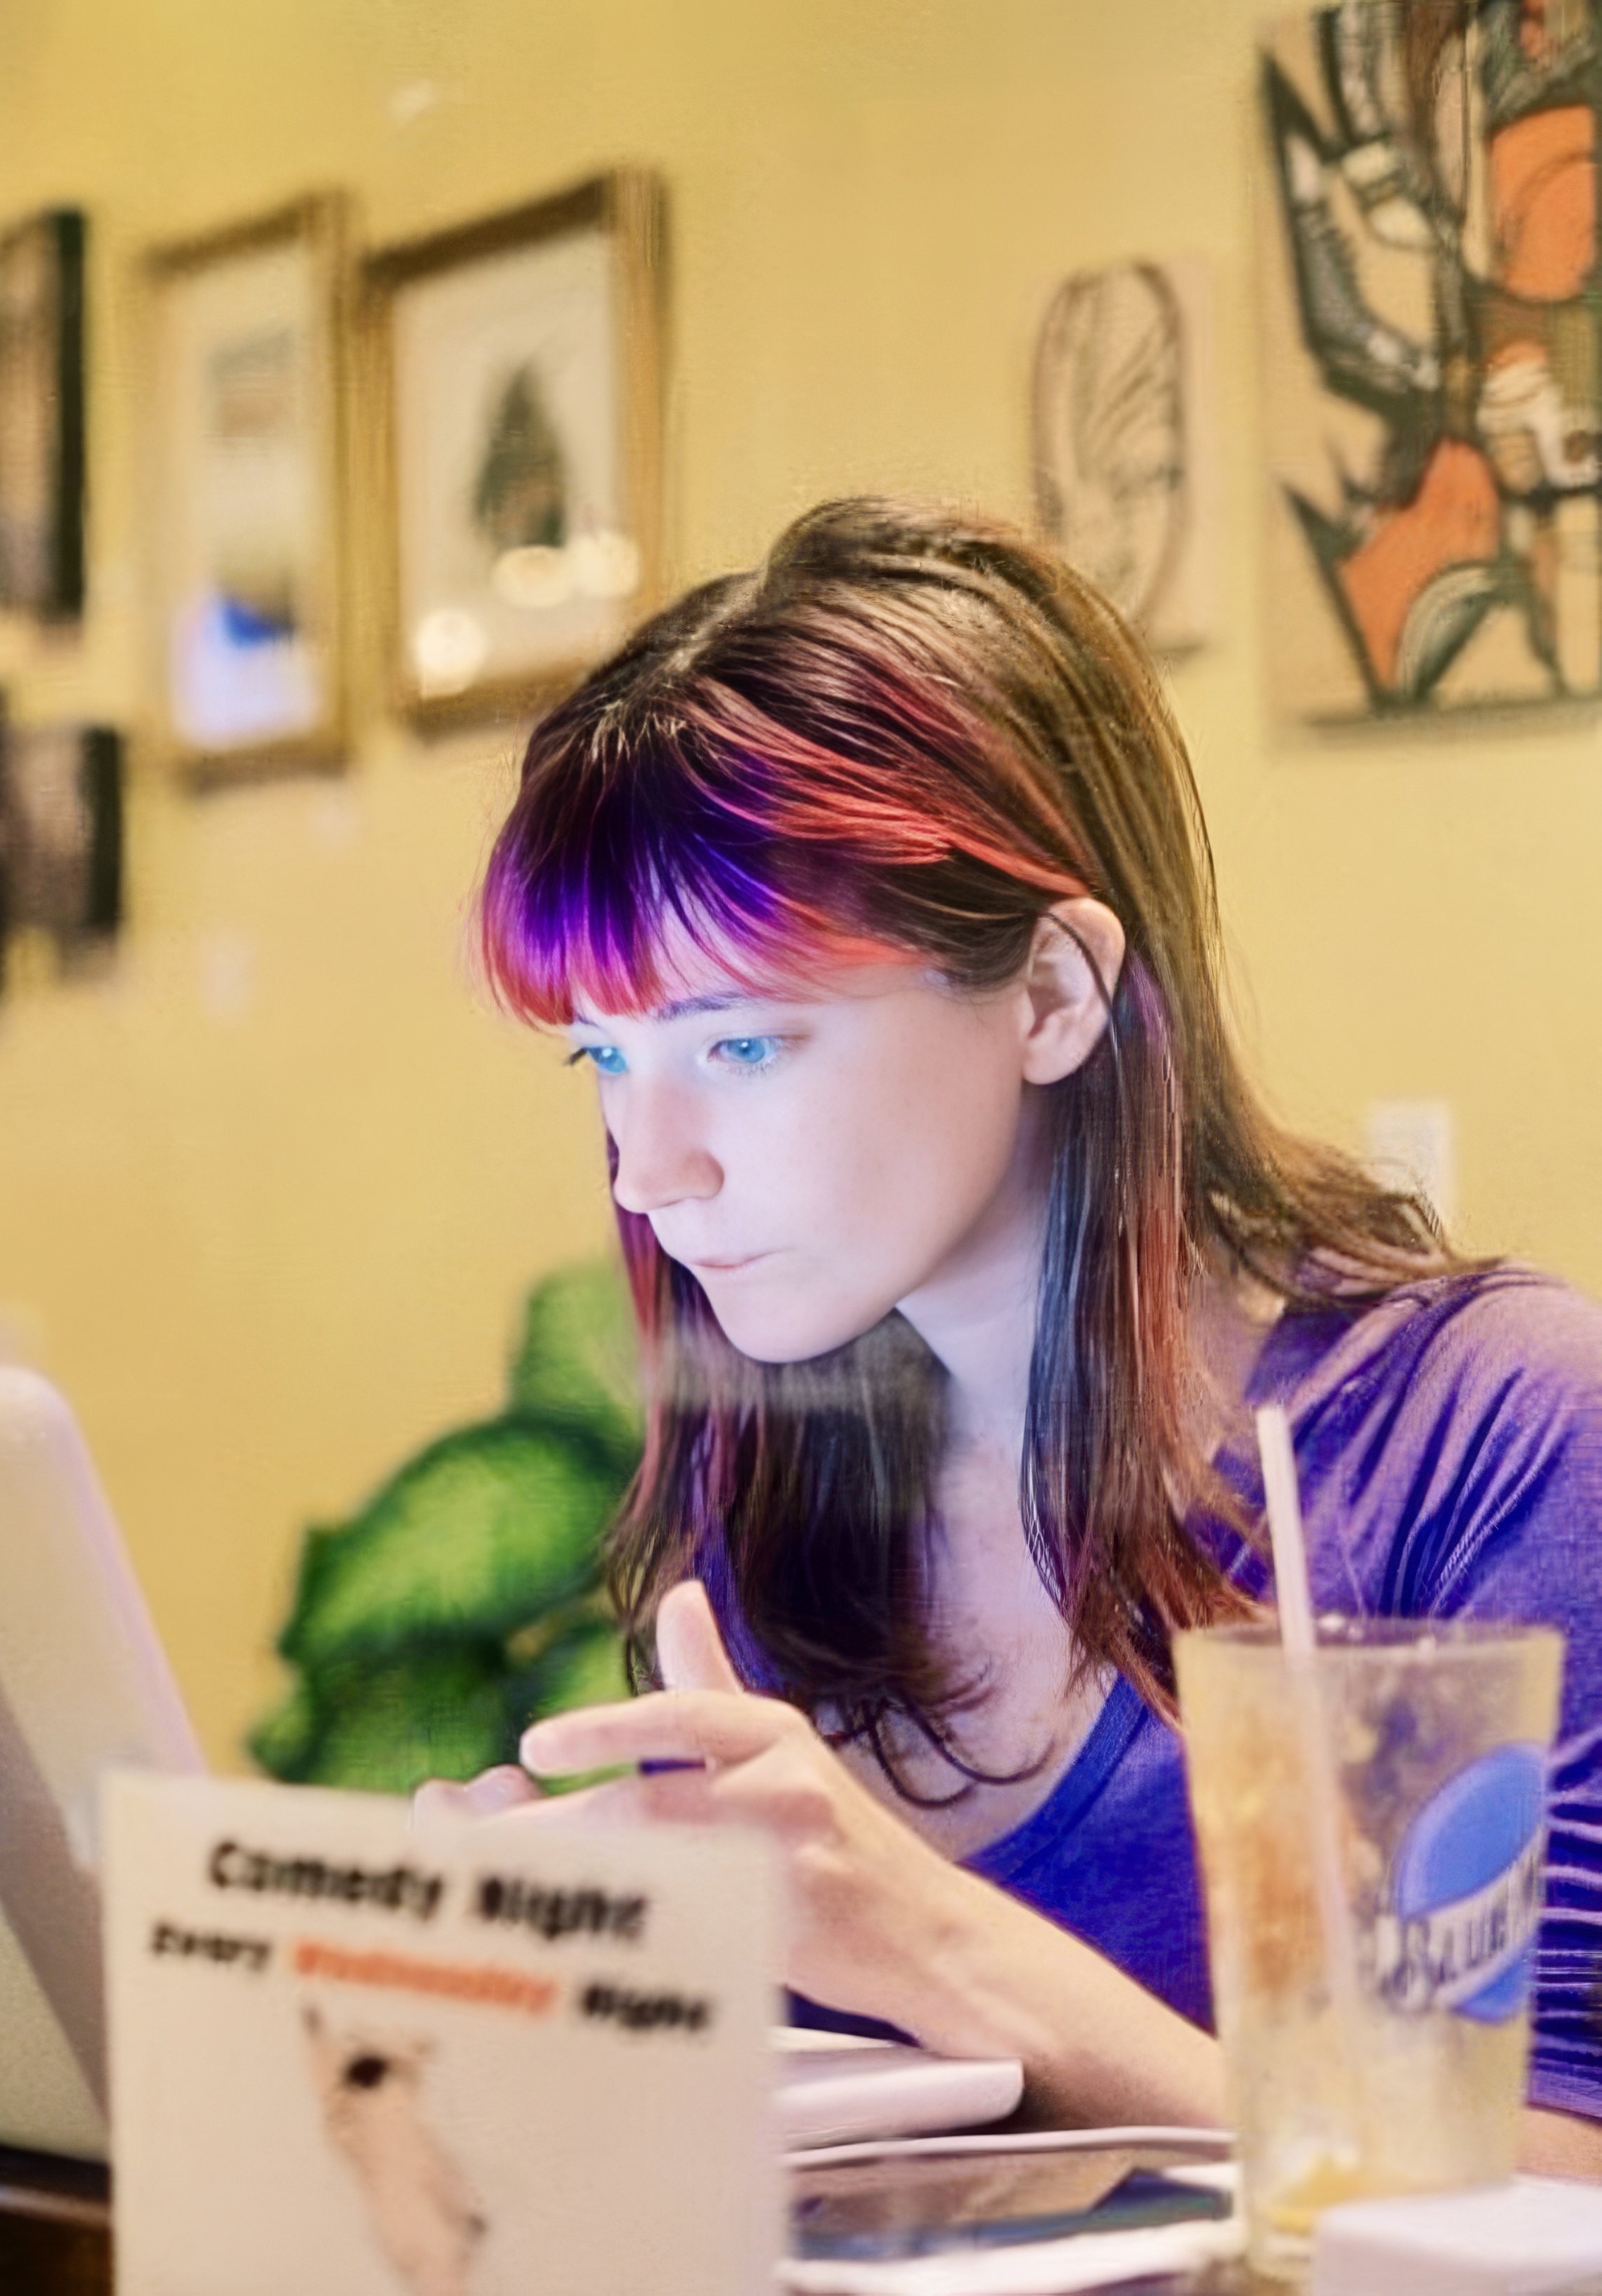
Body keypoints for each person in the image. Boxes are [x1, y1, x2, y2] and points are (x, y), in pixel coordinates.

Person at [416, 497, 1602, 2174]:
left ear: (1051, 991)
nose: (647, 1164)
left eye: (742, 1045)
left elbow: (1558, 2195)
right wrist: (582, 1979)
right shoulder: (794, 1492)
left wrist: (919, 1936)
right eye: (604, 1058)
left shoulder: (1496, 1433)